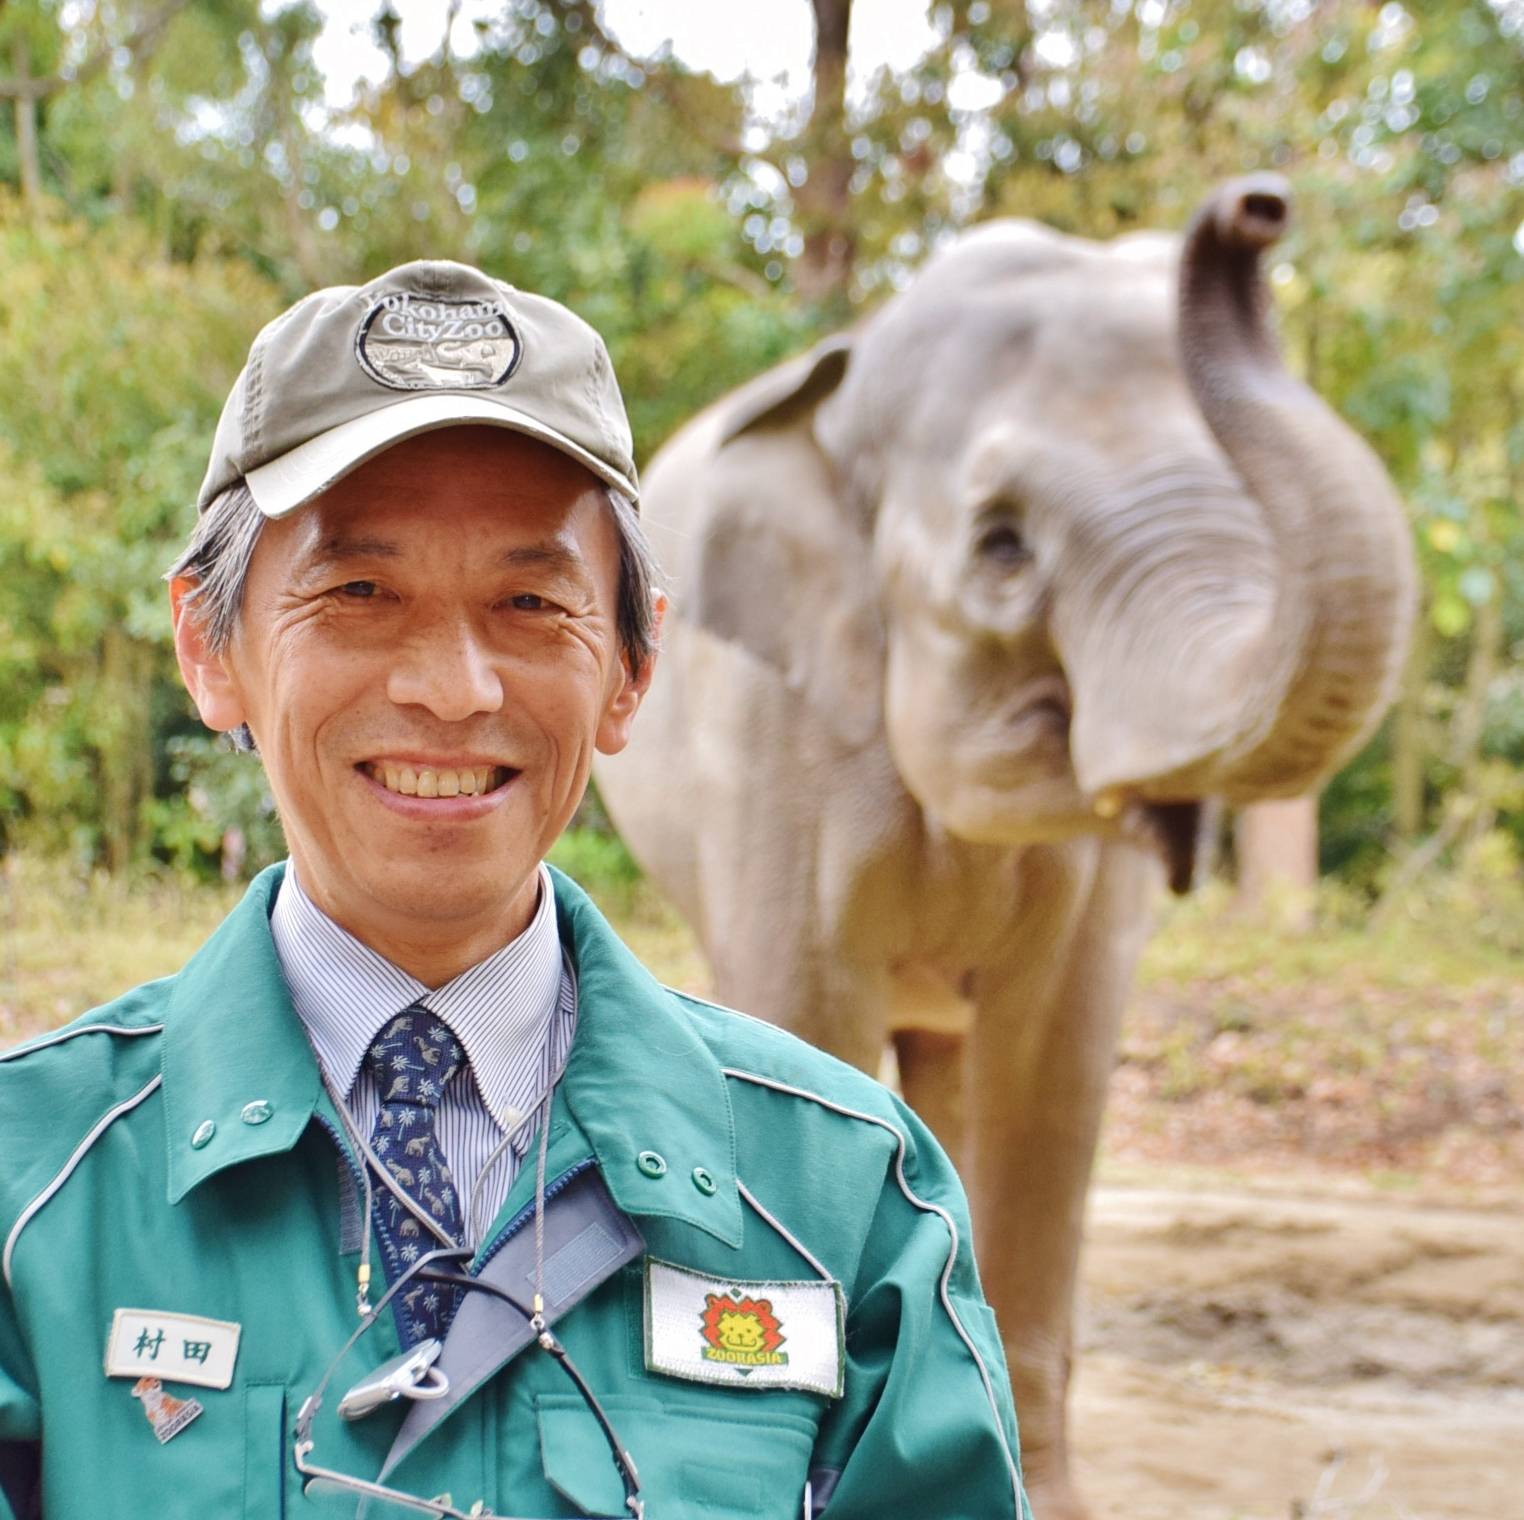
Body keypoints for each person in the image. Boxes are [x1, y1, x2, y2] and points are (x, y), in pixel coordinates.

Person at [0, 259, 1029, 1518]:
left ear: (630, 670)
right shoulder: (27, 1192)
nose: (454, 686)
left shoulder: (850, 1198)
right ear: (211, 651)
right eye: (360, 591)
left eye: (531, 601)